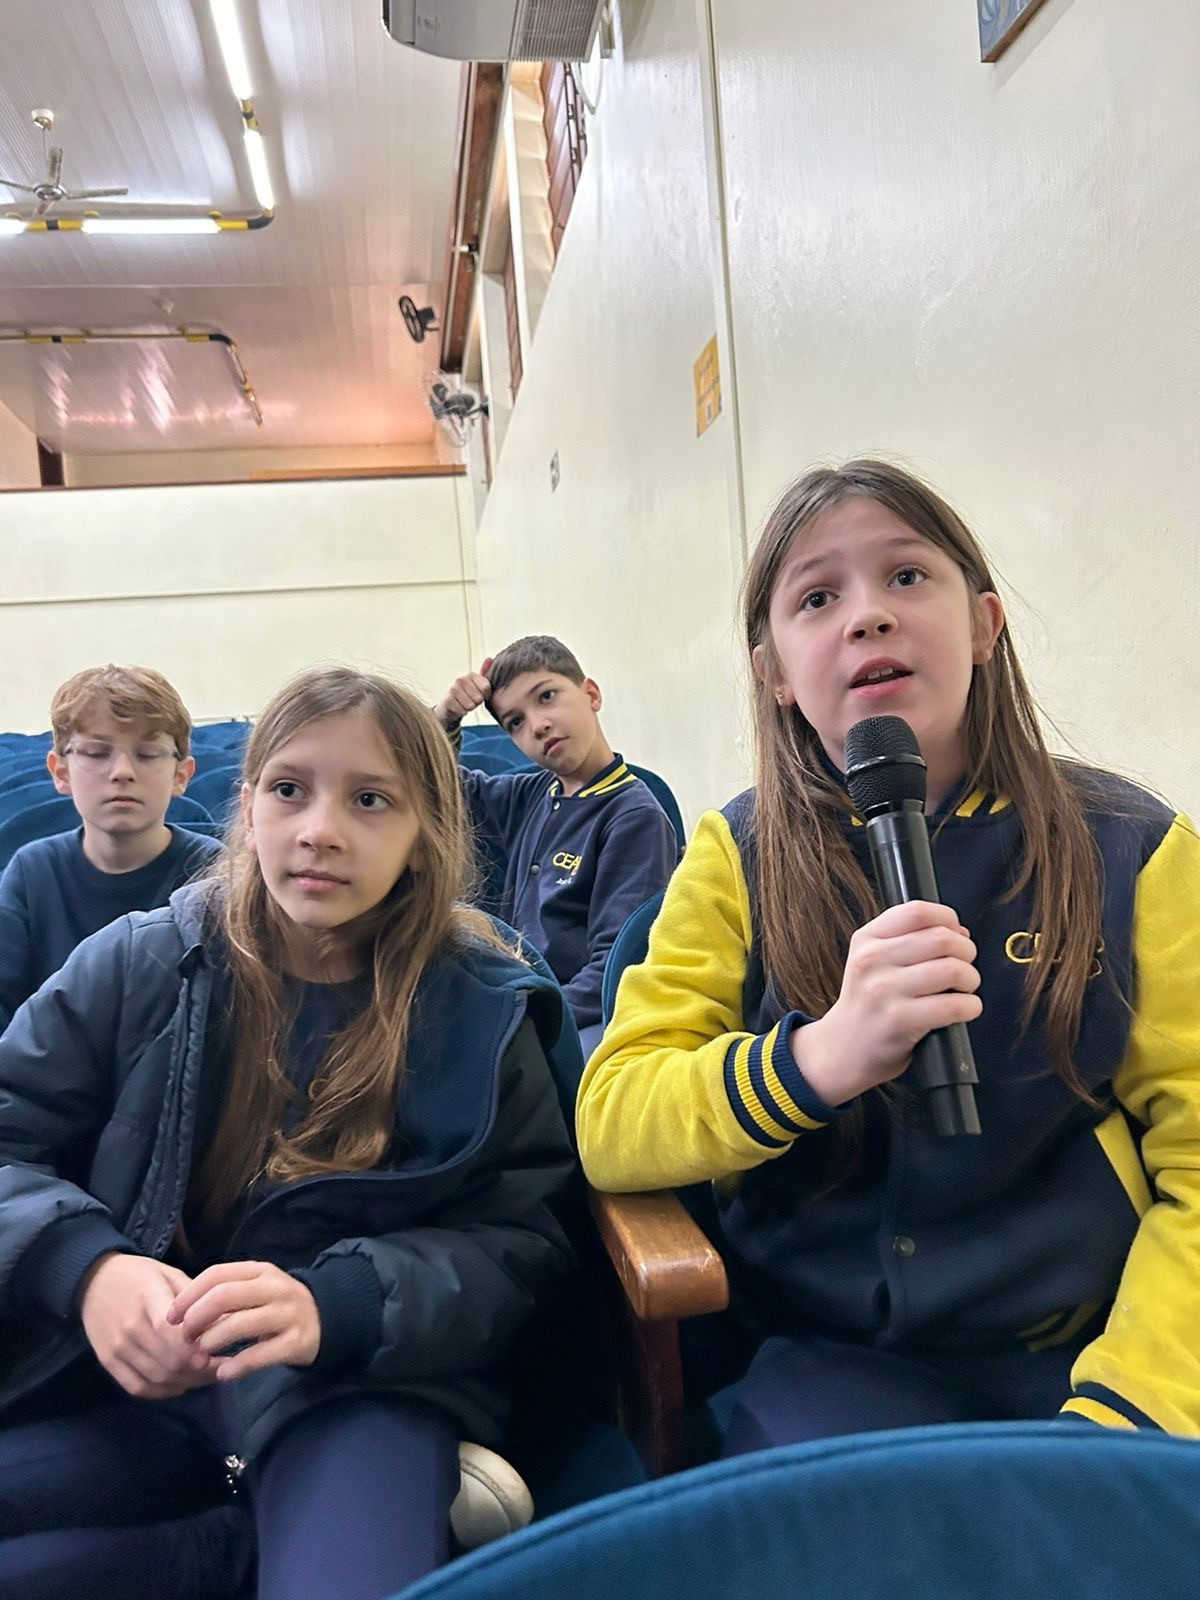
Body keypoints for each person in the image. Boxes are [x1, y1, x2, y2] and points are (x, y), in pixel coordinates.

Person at [577, 458, 1200, 1451]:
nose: (867, 615)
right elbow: (615, 1116)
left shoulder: (1133, 846)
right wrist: (815, 1059)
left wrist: (1132, 1407)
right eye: (817, 597)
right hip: (832, 1358)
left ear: (984, 626)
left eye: (907, 576)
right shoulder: (737, 857)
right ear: (776, 674)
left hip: (1093, 1347)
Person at [0, 666, 577, 1600]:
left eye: (371, 800)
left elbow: (525, 1246)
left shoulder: (484, 1007)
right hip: (147, 1378)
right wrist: (87, 1269)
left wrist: (339, 1302)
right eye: (288, 790)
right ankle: (237, 1546)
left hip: (358, 1383)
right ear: (248, 806)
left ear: (426, 836)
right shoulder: (141, 960)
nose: (319, 830)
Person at [435, 636, 678, 1054]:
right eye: (515, 722)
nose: (538, 725)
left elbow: (614, 965)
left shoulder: (635, 817)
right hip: (518, 996)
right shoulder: (530, 794)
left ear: (591, 694)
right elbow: (438, 785)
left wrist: (528, 1019)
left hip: (578, 1020)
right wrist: (446, 719)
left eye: (546, 697)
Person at [0, 663, 220, 1032]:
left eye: (147, 753)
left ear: (181, 775)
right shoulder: (32, 871)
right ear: (61, 772)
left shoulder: (212, 872)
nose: (122, 772)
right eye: (96, 753)